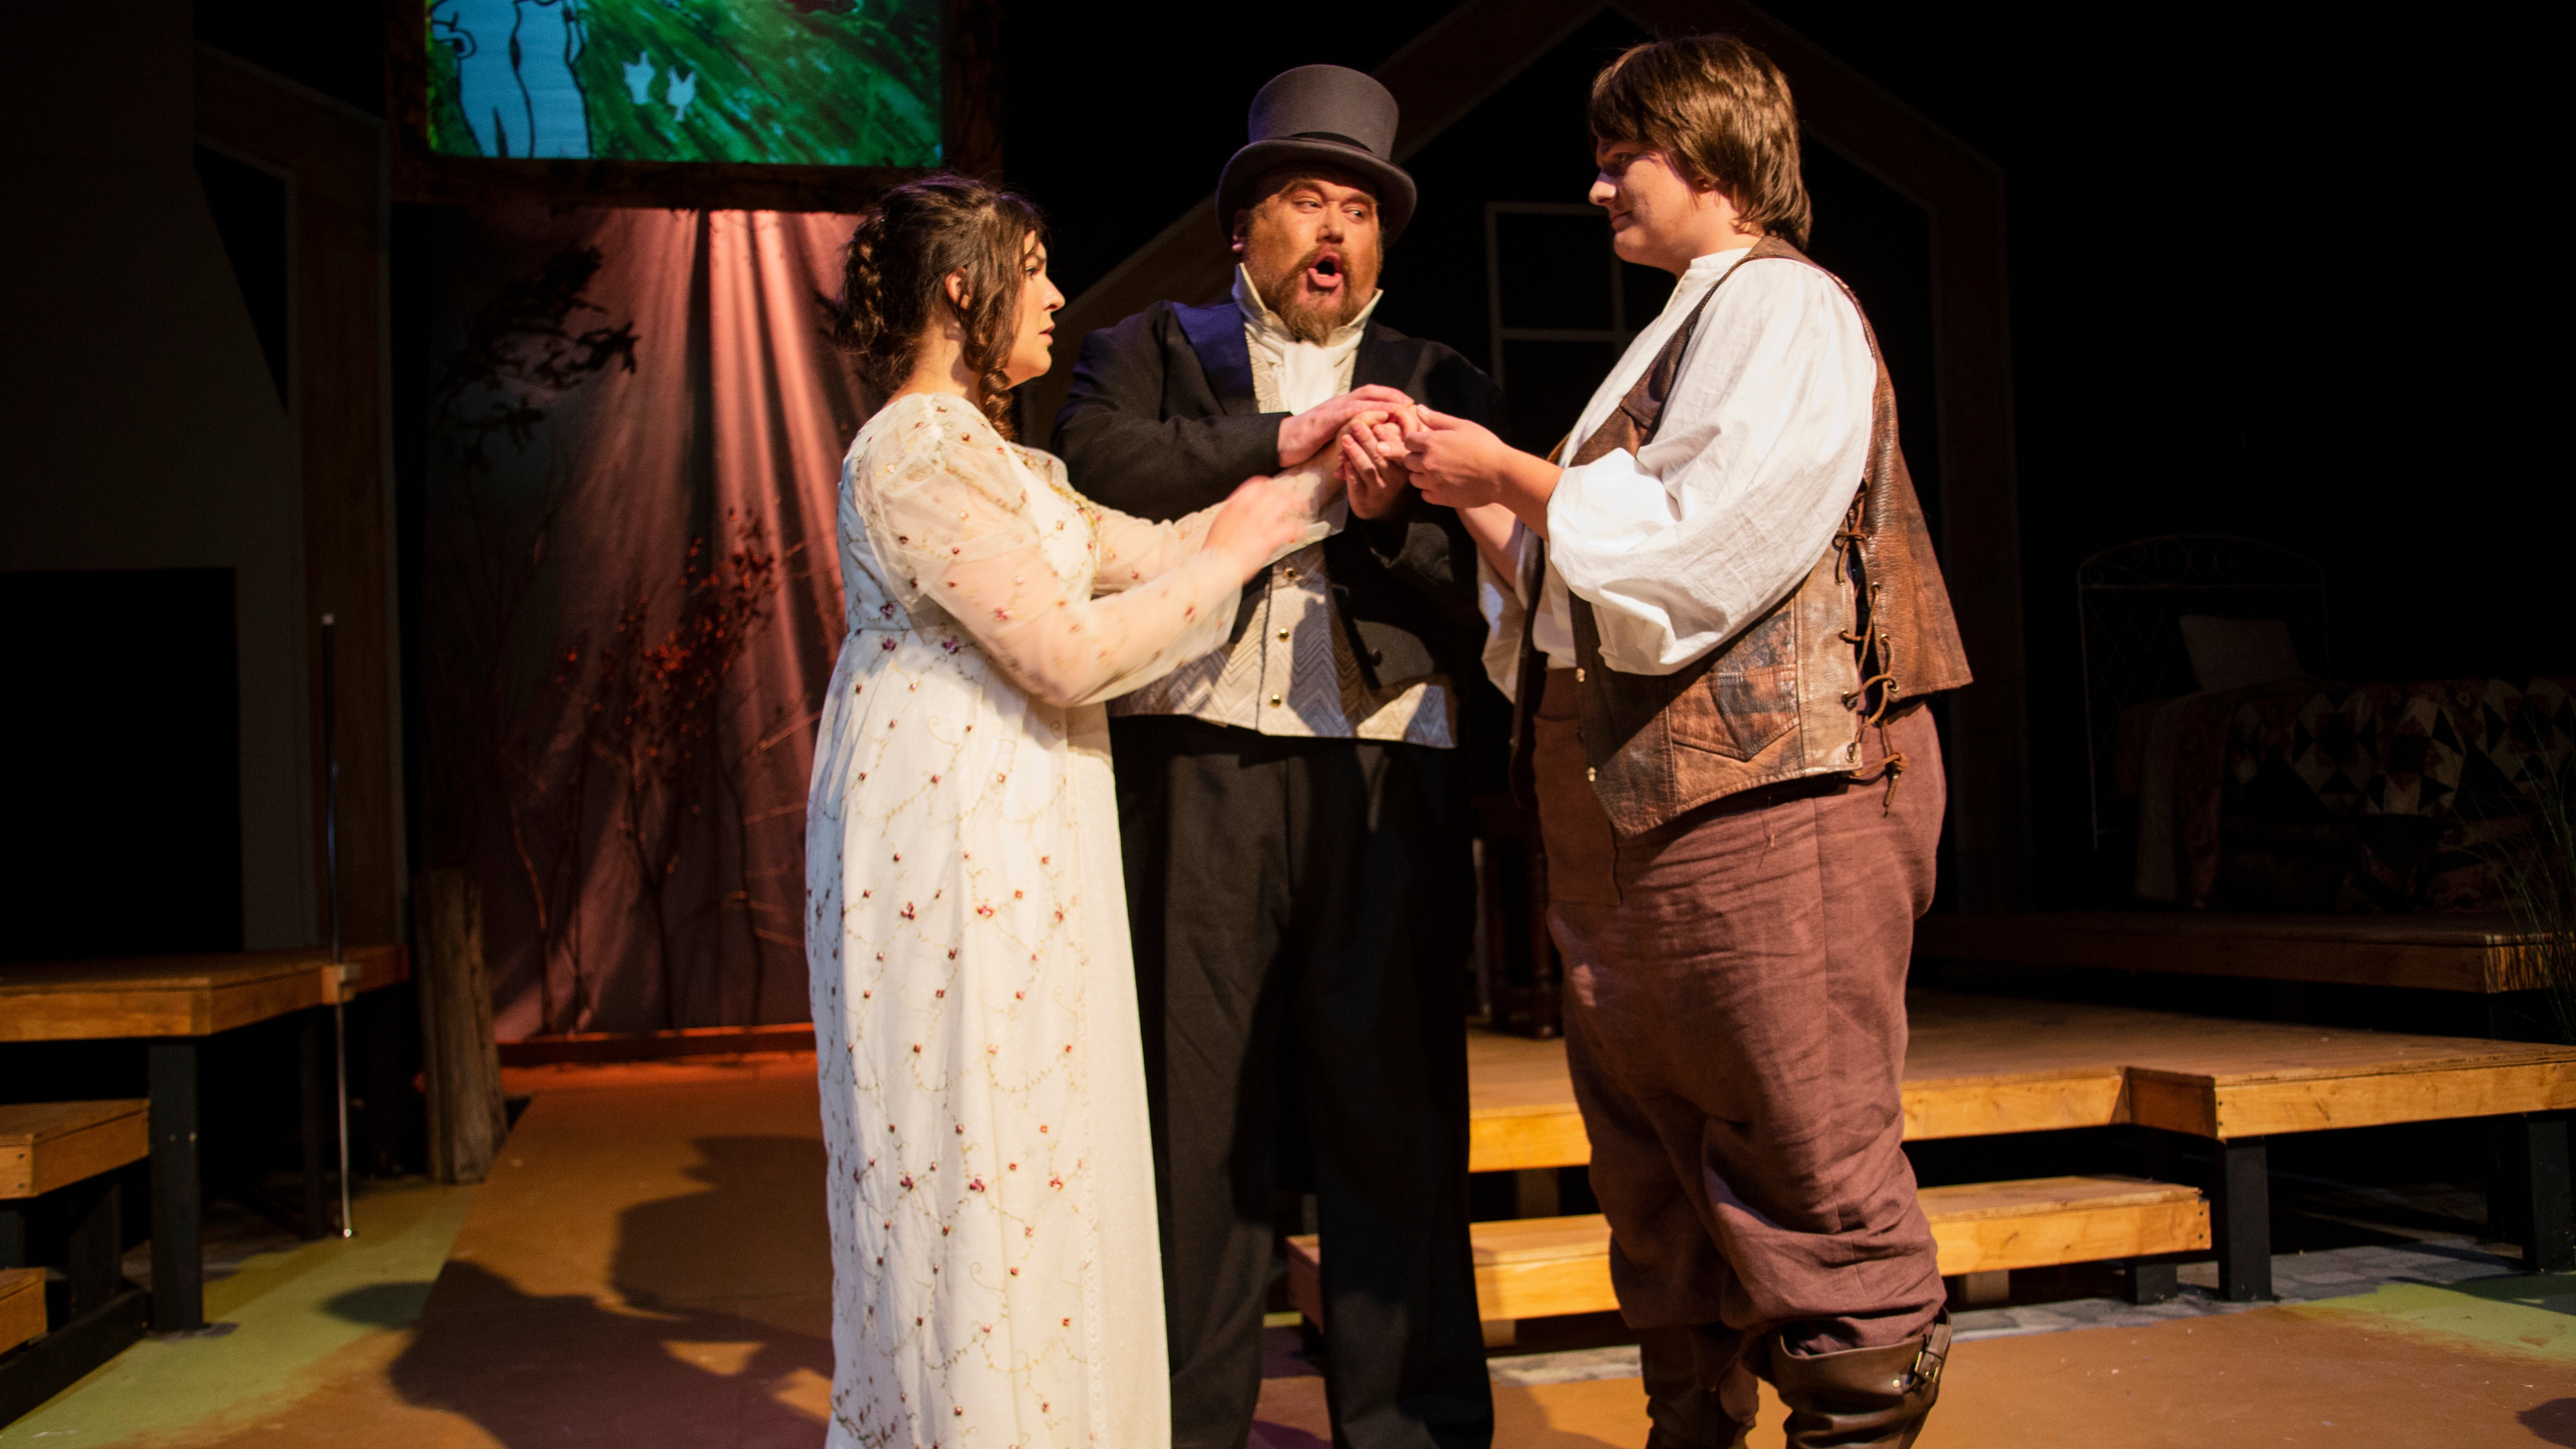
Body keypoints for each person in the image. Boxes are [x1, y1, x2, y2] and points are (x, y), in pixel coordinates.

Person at [1379, 35, 1974, 1449]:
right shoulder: (1693, 326)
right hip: (1641, 809)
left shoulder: (1789, 310)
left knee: (1802, 1136)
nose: (1597, 189)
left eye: (1619, 157)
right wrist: (1465, 496)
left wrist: (1512, 474)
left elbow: (1705, 550)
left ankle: (1854, 1412)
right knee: (1654, 1150)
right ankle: (1690, 1416)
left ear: (1706, 157)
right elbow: (1593, 589)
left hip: (1779, 797)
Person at [804, 173, 1347, 1449]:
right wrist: (1231, 554)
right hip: (946, 833)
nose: (1054, 295)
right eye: (1033, 268)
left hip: (1022, 818)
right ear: (960, 287)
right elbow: (1056, 649)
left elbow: (1156, 550)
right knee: (968, 1143)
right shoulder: (915, 451)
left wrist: (1314, 466)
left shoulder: (1001, 462)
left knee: (1037, 1140)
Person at [1053, 64, 1502, 1449]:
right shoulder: (1147, 350)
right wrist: (1289, 441)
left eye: (1360, 211)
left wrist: (1379, 513)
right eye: (1308, 200)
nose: (1335, 232)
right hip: (1195, 763)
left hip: (1379, 772)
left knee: (1395, 1113)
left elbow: (1479, 577)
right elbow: (1097, 465)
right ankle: (1189, 1423)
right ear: (1245, 222)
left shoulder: (1439, 380)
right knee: (1198, 1120)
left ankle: (1409, 1422)